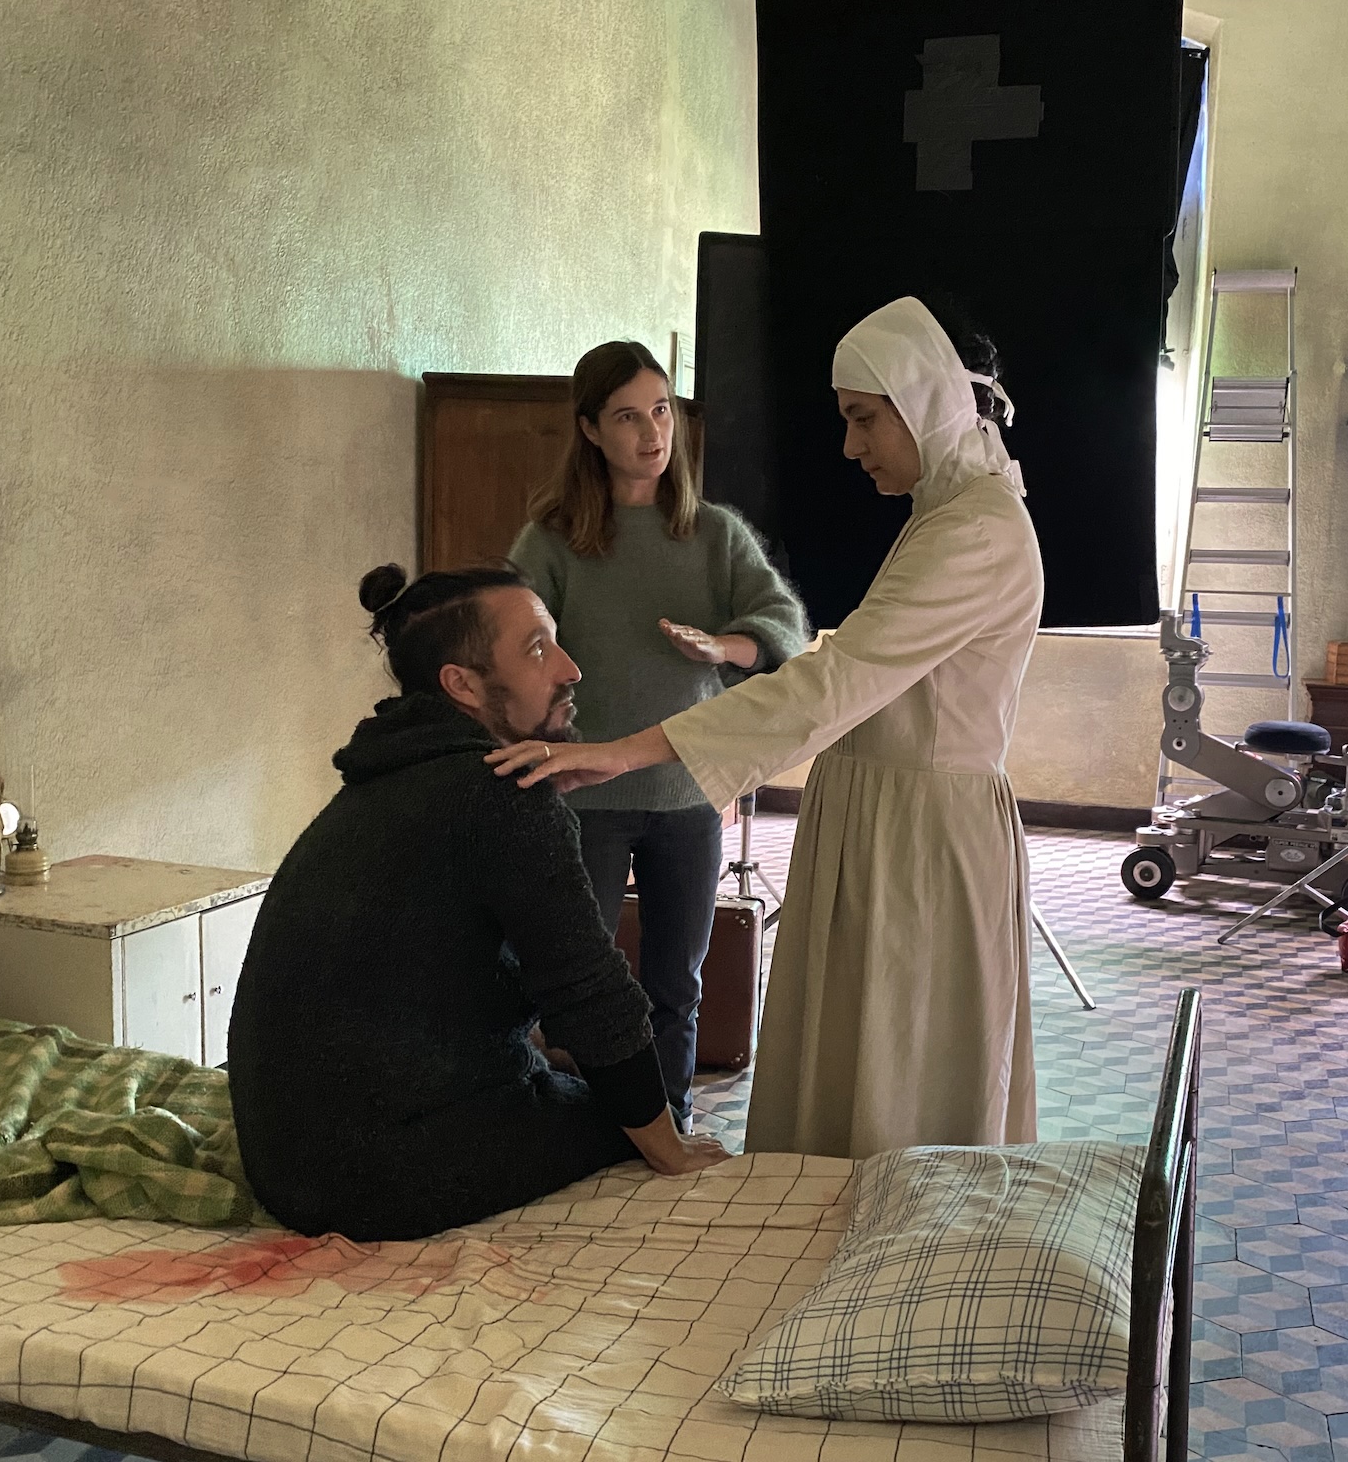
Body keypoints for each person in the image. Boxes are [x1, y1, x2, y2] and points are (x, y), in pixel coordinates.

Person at [490, 297, 1045, 1159]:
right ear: (589, 430)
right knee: (857, 1056)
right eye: (627, 416)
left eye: (864, 418)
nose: (851, 446)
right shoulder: (946, 515)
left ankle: (879, 1225)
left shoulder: (973, 529)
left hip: (918, 836)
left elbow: (829, 679)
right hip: (881, 816)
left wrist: (632, 743)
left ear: (924, 400)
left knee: (901, 1067)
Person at [226, 562, 729, 1242]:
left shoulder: (392, 782)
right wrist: (669, 1150)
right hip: (370, 1173)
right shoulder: (497, 796)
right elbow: (591, 993)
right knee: (631, 1125)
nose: (571, 668)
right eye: (538, 649)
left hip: (288, 1161)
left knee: (589, 1088)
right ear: (461, 684)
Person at [509, 342, 807, 1130]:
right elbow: (510, 641)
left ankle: (669, 1123)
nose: (652, 433)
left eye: (662, 410)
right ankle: (583, 1121)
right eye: (627, 417)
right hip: (587, 798)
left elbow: (783, 625)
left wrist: (723, 648)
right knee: (578, 982)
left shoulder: (714, 534)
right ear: (589, 430)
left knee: (678, 983)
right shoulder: (551, 541)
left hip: (688, 796)